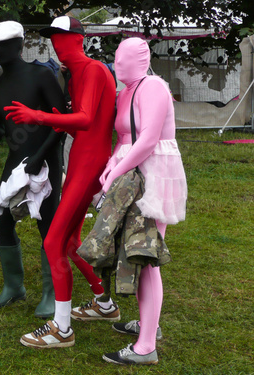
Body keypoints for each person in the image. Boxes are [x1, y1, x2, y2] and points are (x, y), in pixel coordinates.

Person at [4, 16, 118, 348]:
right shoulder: (74, 75)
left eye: (61, 37)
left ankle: (62, 328)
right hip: (80, 161)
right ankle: (103, 302)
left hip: (88, 164)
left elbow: (85, 120)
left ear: (78, 39)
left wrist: (37, 116)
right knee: (68, 243)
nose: (56, 43)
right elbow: (75, 123)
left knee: (53, 243)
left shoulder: (94, 70)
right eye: (52, 38)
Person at [98, 37, 187, 365]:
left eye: (123, 58)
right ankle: (148, 325)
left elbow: (148, 138)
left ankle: (146, 345)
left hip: (152, 175)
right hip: (130, 172)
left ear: (141, 59)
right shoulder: (126, 92)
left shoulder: (153, 87)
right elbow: (125, 136)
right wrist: (111, 166)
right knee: (132, 251)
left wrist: (115, 170)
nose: (117, 64)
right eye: (116, 58)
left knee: (145, 254)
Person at [0, 21, 65, 318]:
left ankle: (51, 294)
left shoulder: (42, 75)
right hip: (17, 160)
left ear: (20, 45)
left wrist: (39, 157)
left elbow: (61, 124)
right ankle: (14, 288)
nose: (0, 51)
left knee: (48, 226)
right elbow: (7, 129)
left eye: (7, 45)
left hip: (46, 159)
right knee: (1, 219)